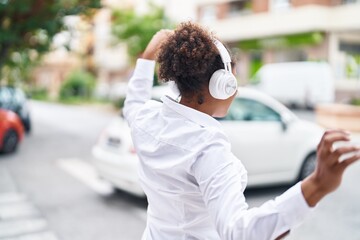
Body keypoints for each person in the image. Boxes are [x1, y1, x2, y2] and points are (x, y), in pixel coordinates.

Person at [123, 22, 360, 240]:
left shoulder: (146, 119)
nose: (235, 92)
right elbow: (238, 232)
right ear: (220, 84)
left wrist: (147, 56)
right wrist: (317, 185)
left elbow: (133, 102)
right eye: (232, 83)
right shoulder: (206, 147)